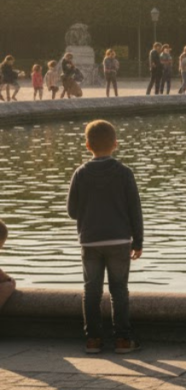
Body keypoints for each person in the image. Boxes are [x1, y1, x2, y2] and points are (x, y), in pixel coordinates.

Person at [67, 120, 144, 355]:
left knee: (91, 291)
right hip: (119, 240)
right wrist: (138, 241)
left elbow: (72, 211)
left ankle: (93, 339)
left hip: (90, 240)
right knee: (119, 290)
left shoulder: (80, 173)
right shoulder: (124, 173)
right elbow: (135, 210)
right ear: (115, 144)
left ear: (87, 145)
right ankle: (122, 339)